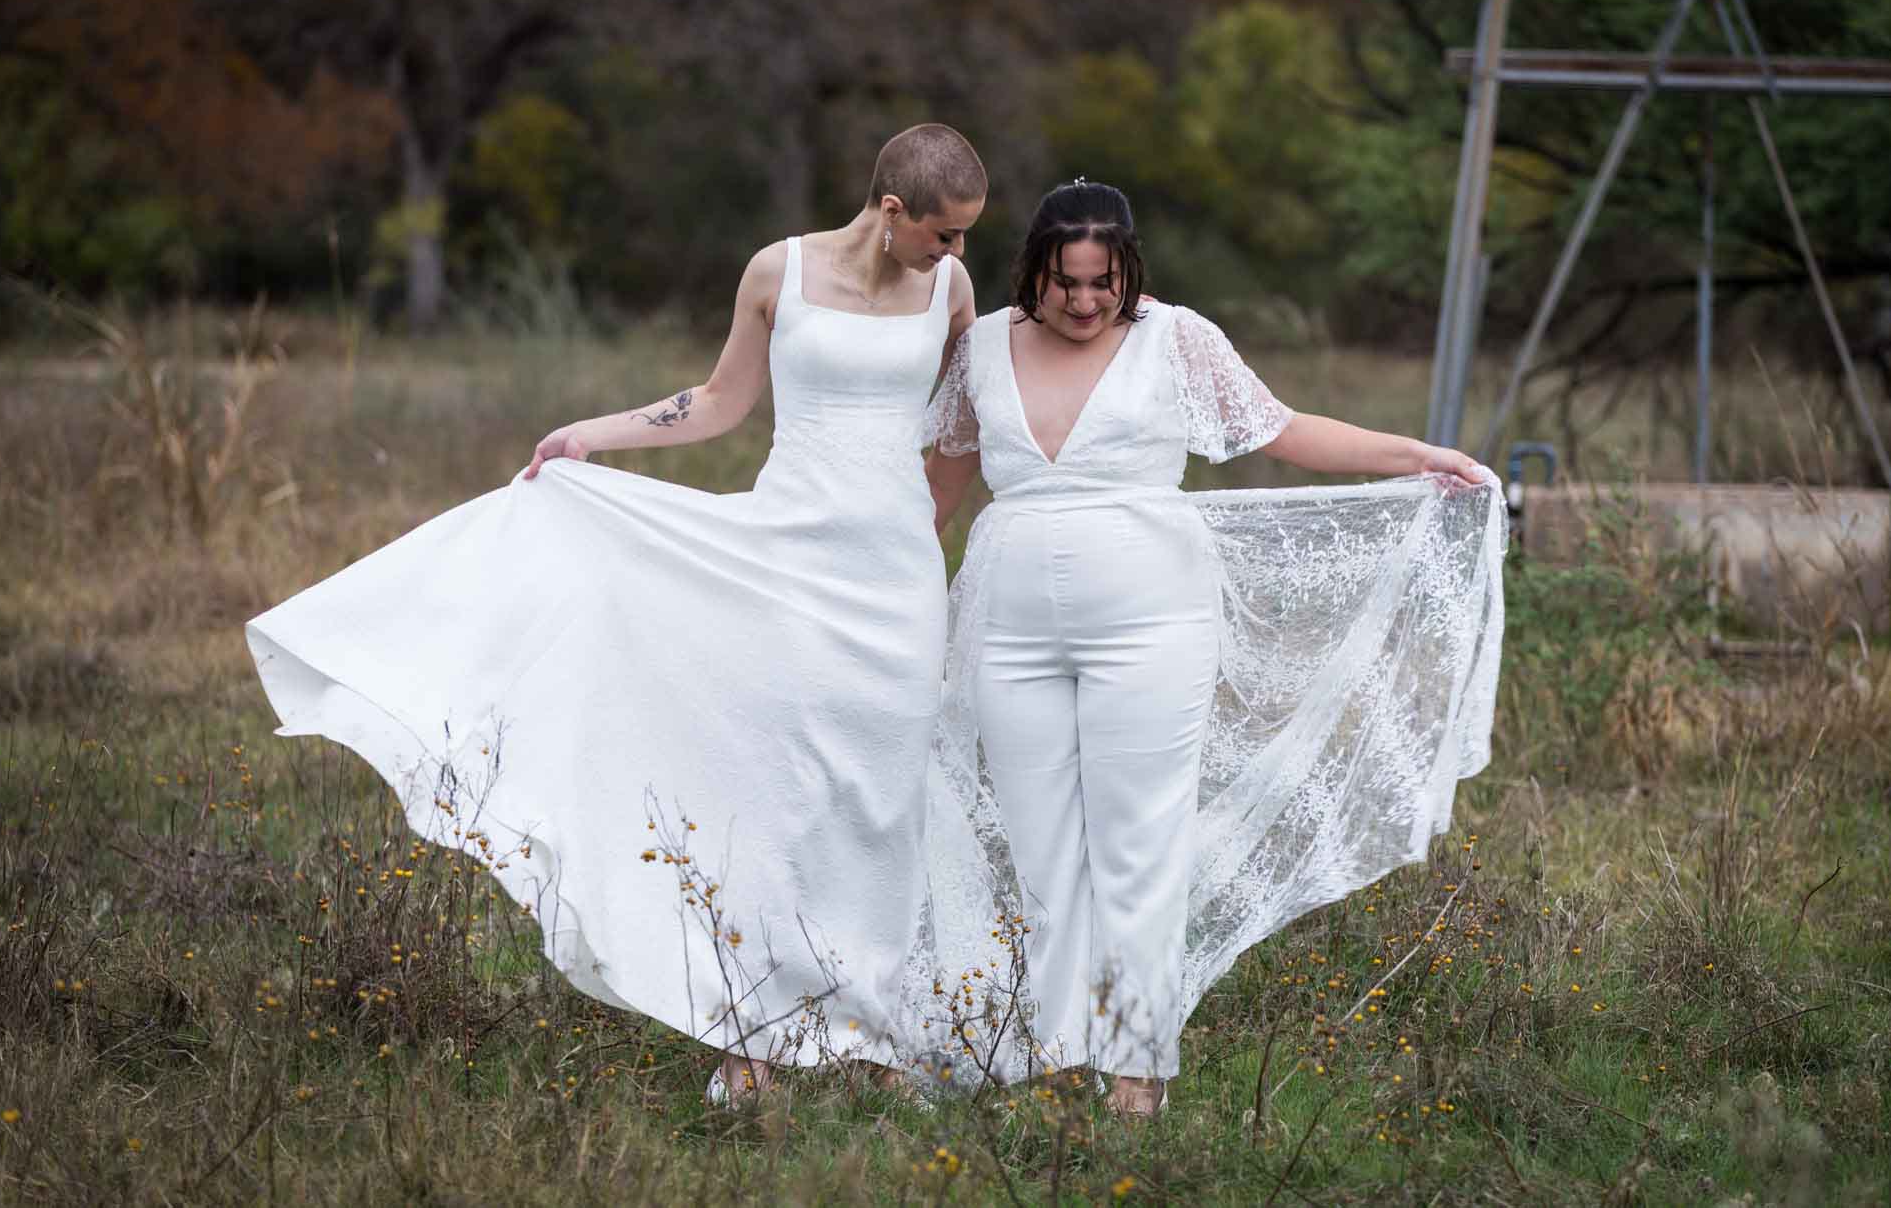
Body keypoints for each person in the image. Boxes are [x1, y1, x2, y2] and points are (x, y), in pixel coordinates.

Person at [247, 124, 986, 1103]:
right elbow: (722, 401)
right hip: (784, 556)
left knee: (883, 797)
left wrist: (923, 525)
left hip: (891, 576)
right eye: (943, 234)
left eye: (966, 238)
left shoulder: (951, 293)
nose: (957, 254)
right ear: (891, 211)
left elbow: (962, 422)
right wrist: (594, 434)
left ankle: (873, 1034)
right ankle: (751, 1036)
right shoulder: (779, 272)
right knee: (776, 790)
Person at [920, 180, 1506, 1115]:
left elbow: (1283, 429)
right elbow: (934, 498)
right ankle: (1060, 1044)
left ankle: (1137, 1065)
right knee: (1039, 845)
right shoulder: (982, 346)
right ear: (1033, 269)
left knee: (1138, 838)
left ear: (1129, 272)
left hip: (1153, 624)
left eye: (1102, 282)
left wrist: (1414, 455)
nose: (1082, 303)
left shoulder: (1175, 337)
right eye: (1064, 282)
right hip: (1011, 630)